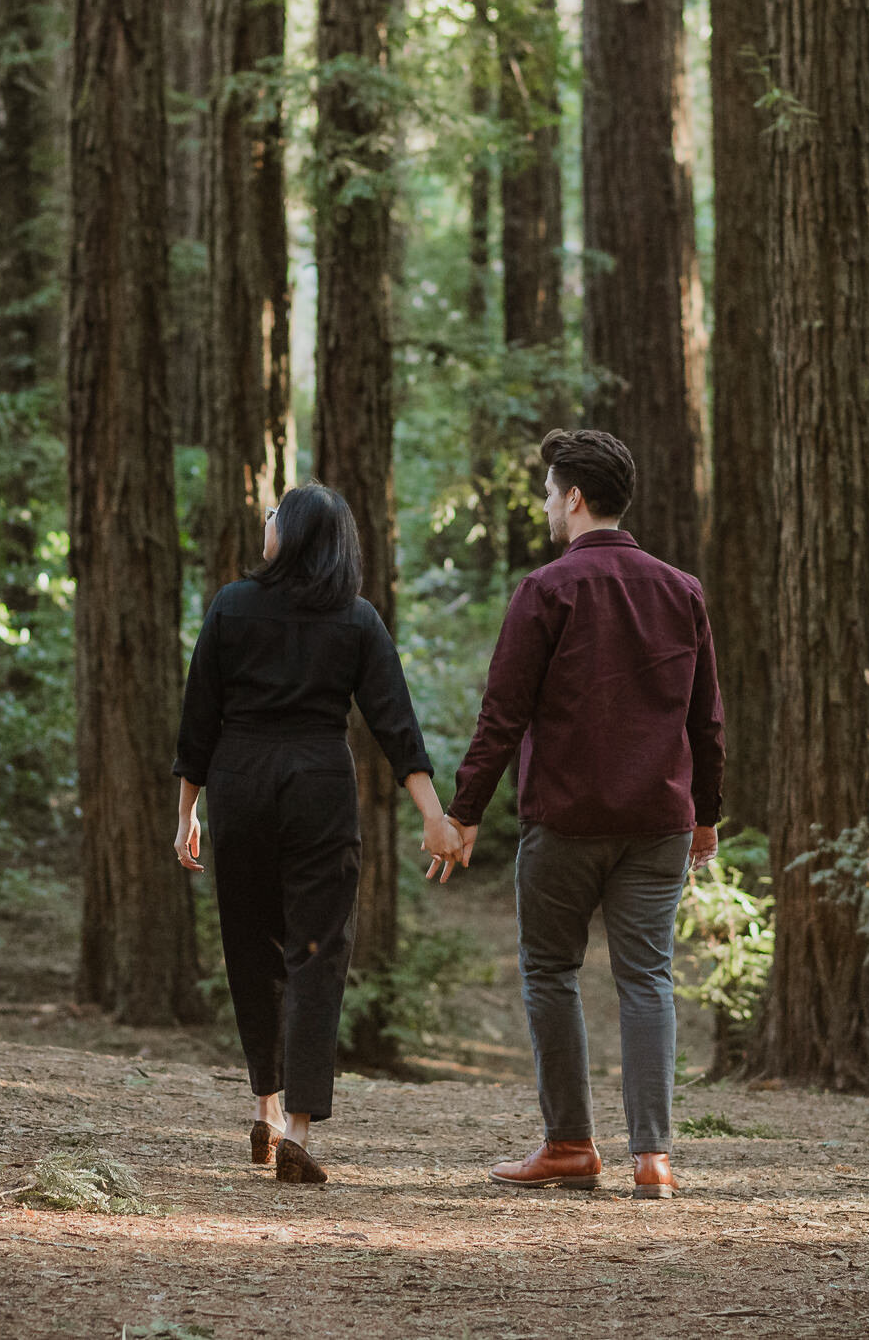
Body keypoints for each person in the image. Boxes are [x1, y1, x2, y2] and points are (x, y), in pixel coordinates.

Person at [441, 429, 723, 1200]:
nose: (544, 507)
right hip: (660, 818)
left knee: (549, 971)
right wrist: (708, 813)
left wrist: (466, 810)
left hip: (564, 819)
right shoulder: (682, 590)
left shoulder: (546, 590)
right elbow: (707, 721)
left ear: (573, 496)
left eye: (547, 492)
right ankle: (653, 1159)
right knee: (648, 979)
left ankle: (569, 1143)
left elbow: (501, 713)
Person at [172, 483, 464, 1186]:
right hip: (317, 788)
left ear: (293, 534)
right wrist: (432, 812)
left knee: (251, 945)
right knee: (316, 952)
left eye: (274, 515)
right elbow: (396, 722)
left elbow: (198, 717)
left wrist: (187, 810)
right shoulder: (356, 618)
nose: (266, 523)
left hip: (238, 782)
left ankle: (267, 1109)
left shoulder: (230, 605)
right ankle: (299, 1127)